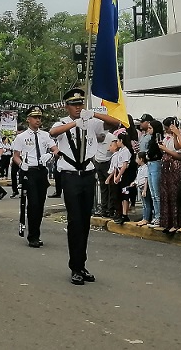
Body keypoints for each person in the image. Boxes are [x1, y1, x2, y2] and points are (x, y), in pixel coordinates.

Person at [48, 88, 103, 286]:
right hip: (70, 176)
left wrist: (93, 114)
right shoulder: (62, 123)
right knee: (75, 221)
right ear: (67, 106)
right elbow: (52, 133)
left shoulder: (91, 122)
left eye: (80, 104)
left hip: (88, 175)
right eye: (74, 105)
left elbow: (118, 124)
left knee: (85, 222)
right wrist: (75, 124)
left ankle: (82, 264)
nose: (78, 108)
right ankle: (75, 267)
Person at [12, 106, 58, 248]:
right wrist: (21, 165)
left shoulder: (45, 135)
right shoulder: (21, 137)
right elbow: (16, 156)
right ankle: (33, 236)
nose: (38, 120)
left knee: (40, 205)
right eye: (35, 117)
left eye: (39, 117)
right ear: (28, 119)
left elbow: (56, 149)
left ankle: (36, 233)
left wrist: (50, 155)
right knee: (33, 204)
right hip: (29, 171)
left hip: (41, 171)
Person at [158, 117, 181, 233]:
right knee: (166, 194)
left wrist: (165, 149)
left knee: (174, 195)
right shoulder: (166, 138)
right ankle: (167, 222)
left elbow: (179, 154)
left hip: (175, 167)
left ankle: (176, 222)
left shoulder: (180, 137)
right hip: (166, 168)